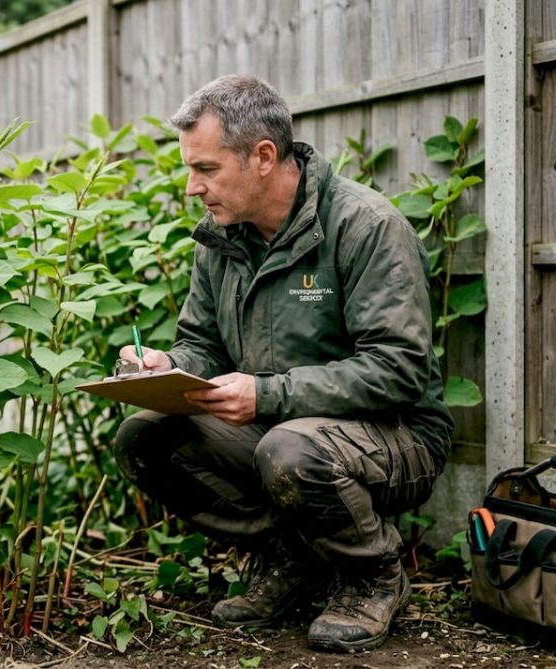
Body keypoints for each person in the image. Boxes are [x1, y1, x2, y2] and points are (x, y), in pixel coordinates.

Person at [112, 75, 453, 653]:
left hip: (398, 436)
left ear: (264, 157)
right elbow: (204, 345)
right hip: (280, 431)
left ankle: (372, 574)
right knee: (146, 438)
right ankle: (295, 559)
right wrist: (167, 363)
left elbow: (398, 368)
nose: (193, 187)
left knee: (290, 450)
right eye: (191, 169)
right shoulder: (223, 239)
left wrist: (267, 394)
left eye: (206, 169)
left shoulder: (365, 226)